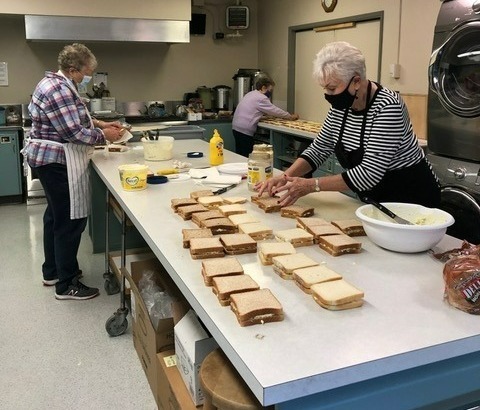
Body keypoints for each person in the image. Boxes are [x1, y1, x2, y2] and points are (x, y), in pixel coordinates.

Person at [258, 41, 440, 208]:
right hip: (375, 199)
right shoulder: (342, 106)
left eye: (332, 88)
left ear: (357, 81)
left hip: (410, 199)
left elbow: (369, 173)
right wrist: (285, 177)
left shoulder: (387, 106)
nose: (328, 95)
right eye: (324, 88)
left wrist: (311, 185)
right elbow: (319, 148)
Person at [23, 43, 125, 300]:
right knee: (70, 220)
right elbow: (73, 132)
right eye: (86, 73)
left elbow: (79, 116)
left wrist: (101, 123)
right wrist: (105, 135)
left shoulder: (59, 84)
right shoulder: (58, 89)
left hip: (49, 160)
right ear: (72, 69)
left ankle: (53, 271)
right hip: (55, 161)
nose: (87, 78)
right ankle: (66, 284)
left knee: (54, 217)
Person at [232, 74, 299, 157]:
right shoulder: (261, 98)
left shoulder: (251, 94)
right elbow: (275, 110)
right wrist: (290, 116)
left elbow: (250, 111)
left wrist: (264, 117)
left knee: (240, 156)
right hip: (245, 131)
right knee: (247, 157)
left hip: (236, 128)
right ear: (263, 88)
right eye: (270, 90)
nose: (270, 92)